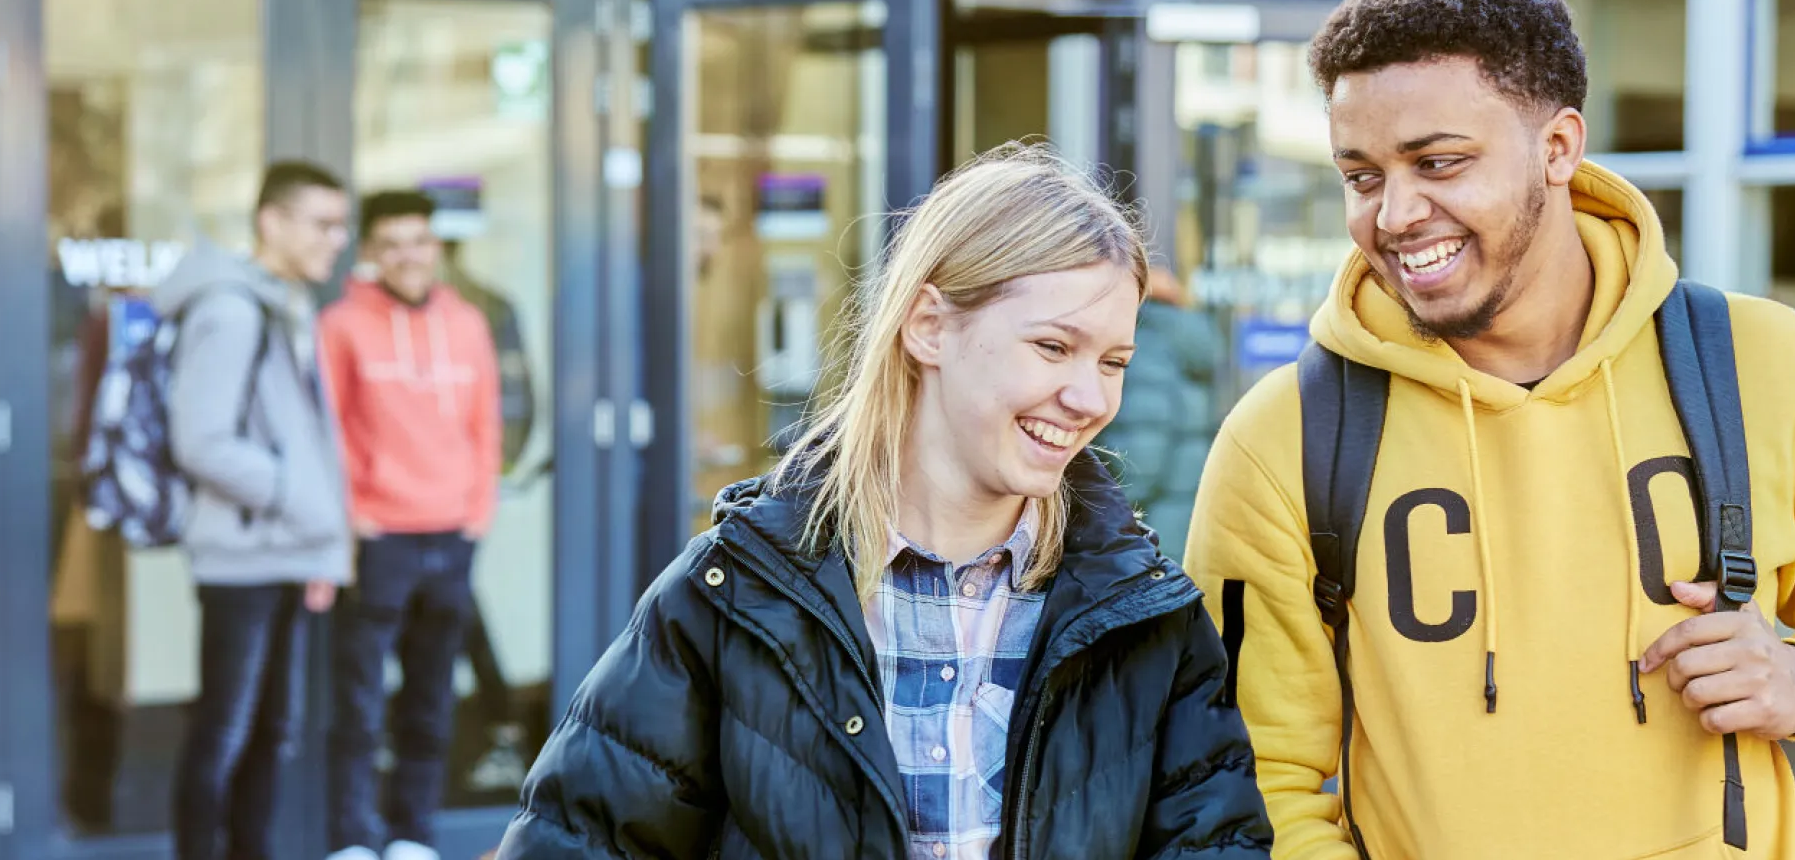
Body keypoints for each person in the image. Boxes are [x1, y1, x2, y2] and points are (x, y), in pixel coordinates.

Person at [1183, 0, 1795, 859]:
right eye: (1361, 176)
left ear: (1558, 148)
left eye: (1438, 163)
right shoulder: (1284, 436)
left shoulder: (1756, 363)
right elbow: (1243, 774)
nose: (1394, 215)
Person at [498, 146, 1272, 860]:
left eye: (1114, 361)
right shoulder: (733, 596)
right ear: (929, 325)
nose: (1088, 397)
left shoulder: (1147, 620)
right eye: (1053, 347)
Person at [153, 160, 355, 860]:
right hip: (243, 556)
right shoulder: (232, 310)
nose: (339, 239)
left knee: (268, 734)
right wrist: (299, 502)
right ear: (272, 221)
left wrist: (317, 539)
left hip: (280, 551)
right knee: (227, 735)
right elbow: (201, 441)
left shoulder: (280, 304)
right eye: (324, 223)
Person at [319, 190, 504, 860]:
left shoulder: (467, 324)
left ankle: (411, 836)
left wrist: (478, 511)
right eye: (391, 243)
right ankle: (352, 840)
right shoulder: (342, 324)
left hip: (452, 535)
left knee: (429, 698)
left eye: (419, 241)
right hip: (381, 538)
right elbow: (329, 429)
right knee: (362, 703)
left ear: (436, 247)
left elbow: (486, 424)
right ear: (370, 251)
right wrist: (354, 516)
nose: (408, 255)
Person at [1099, 265, 1223, 556]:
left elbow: (1144, 443)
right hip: (1181, 509)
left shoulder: (1146, 342)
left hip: (1148, 519)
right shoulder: (1187, 345)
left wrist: (1113, 505)